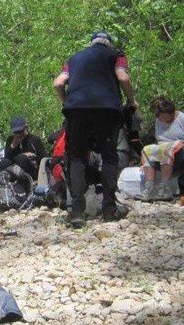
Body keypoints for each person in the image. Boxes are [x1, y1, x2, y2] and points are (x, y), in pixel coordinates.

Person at [53, 32, 138, 227]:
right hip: (107, 110)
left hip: (76, 112)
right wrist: (132, 100)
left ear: (91, 44)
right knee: (109, 156)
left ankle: (76, 212)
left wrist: (67, 102)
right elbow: (123, 78)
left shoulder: (74, 58)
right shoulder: (116, 55)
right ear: (109, 44)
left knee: (77, 157)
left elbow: (58, 83)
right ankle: (109, 208)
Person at [139, 96, 184, 201]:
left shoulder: (183, 119)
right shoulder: (158, 121)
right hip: (165, 153)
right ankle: (149, 189)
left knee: (167, 148)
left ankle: (165, 188)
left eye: (158, 114)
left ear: (167, 111)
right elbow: (159, 141)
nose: (157, 116)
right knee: (147, 149)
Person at [2, 116, 47, 180]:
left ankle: (27, 183)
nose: (18, 134)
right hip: (14, 169)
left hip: (31, 170)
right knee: (4, 162)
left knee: (21, 158)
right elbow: (7, 158)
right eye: (16, 132)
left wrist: (31, 155)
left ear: (25, 128)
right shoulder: (10, 140)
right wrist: (13, 145)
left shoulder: (34, 139)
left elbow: (43, 157)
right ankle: (4, 184)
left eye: (20, 131)